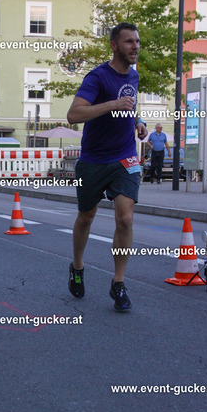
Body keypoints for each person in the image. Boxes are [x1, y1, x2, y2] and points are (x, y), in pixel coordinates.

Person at [66, 22, 148, 311]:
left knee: (125, 218)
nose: (135, 46)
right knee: (86, 217)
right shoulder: (97, 77)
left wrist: (138, 121)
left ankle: (118, 283)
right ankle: (77, 266)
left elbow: (129, 105)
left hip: (125, 157)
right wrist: (112, 104)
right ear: (114, 45)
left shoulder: (134, 75)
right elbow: (74, 114)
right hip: (93, 160)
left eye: (137, 41)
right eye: (129, 42)